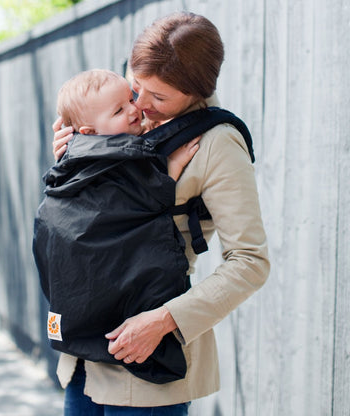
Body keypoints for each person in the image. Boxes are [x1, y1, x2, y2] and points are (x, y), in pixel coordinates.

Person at [52, 11, 270, 416]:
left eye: (159, 97)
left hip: (147, 362)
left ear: (196, 92)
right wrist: (72, 161)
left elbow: (250, 262)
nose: (140, 106)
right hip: (83, 354)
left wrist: (164, 321)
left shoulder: (216, 144)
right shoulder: (114, 115)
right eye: (136, 87)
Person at [56, 68, 200, 181]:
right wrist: (175, 166)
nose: (134, 108)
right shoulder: (107, 161)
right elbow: (140, 196)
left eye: (131, 100)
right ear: (91, 133)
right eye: (119, 111)